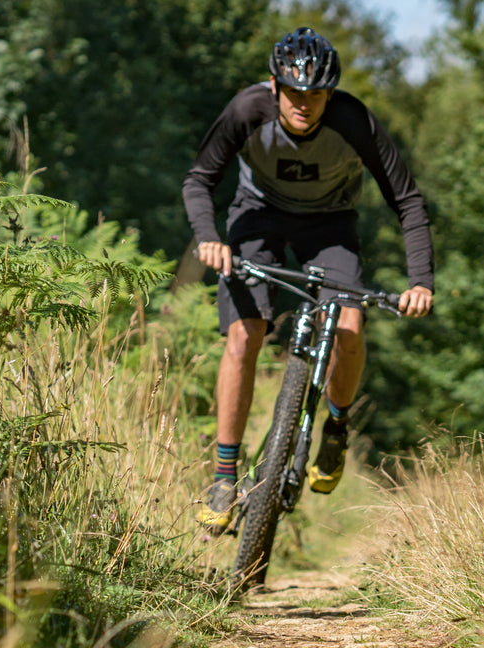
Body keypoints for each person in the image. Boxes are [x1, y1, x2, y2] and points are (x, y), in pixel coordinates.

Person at [182, 27, 435, 534]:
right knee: (244, 334)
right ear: (275, 87)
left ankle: (335, 428)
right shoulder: (246, 110)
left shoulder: (353, 121)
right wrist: (210, 237)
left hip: (330, 226)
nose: (304, 104)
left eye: (315, 94)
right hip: (257, 217)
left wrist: (420, 281)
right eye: (294, 93)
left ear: (330, 92)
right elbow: (200, 179)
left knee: (350, 326)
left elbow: (406, 200)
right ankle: (225, 476)